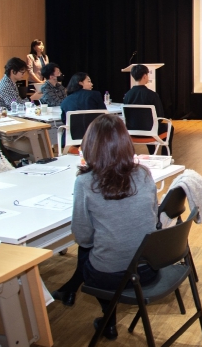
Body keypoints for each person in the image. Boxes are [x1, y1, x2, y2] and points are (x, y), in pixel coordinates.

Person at [51, 114, 158, 340]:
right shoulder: (143, 174)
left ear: (89, 146)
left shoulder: (85, 182)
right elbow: (152, 216)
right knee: (106, 246)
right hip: (149, 268)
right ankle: (74, 293)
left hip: (111, 275)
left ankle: (107, 318)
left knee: (88, 252)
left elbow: (83, 237)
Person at [123, 64, 173, 155]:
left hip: (132, 131)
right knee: (169, 127)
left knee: (147, 124)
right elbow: (160, 116)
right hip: (150, 131)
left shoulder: (127, 95)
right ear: (145, 76)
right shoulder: (152, 95)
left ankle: (152, 153)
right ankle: (165, 156)